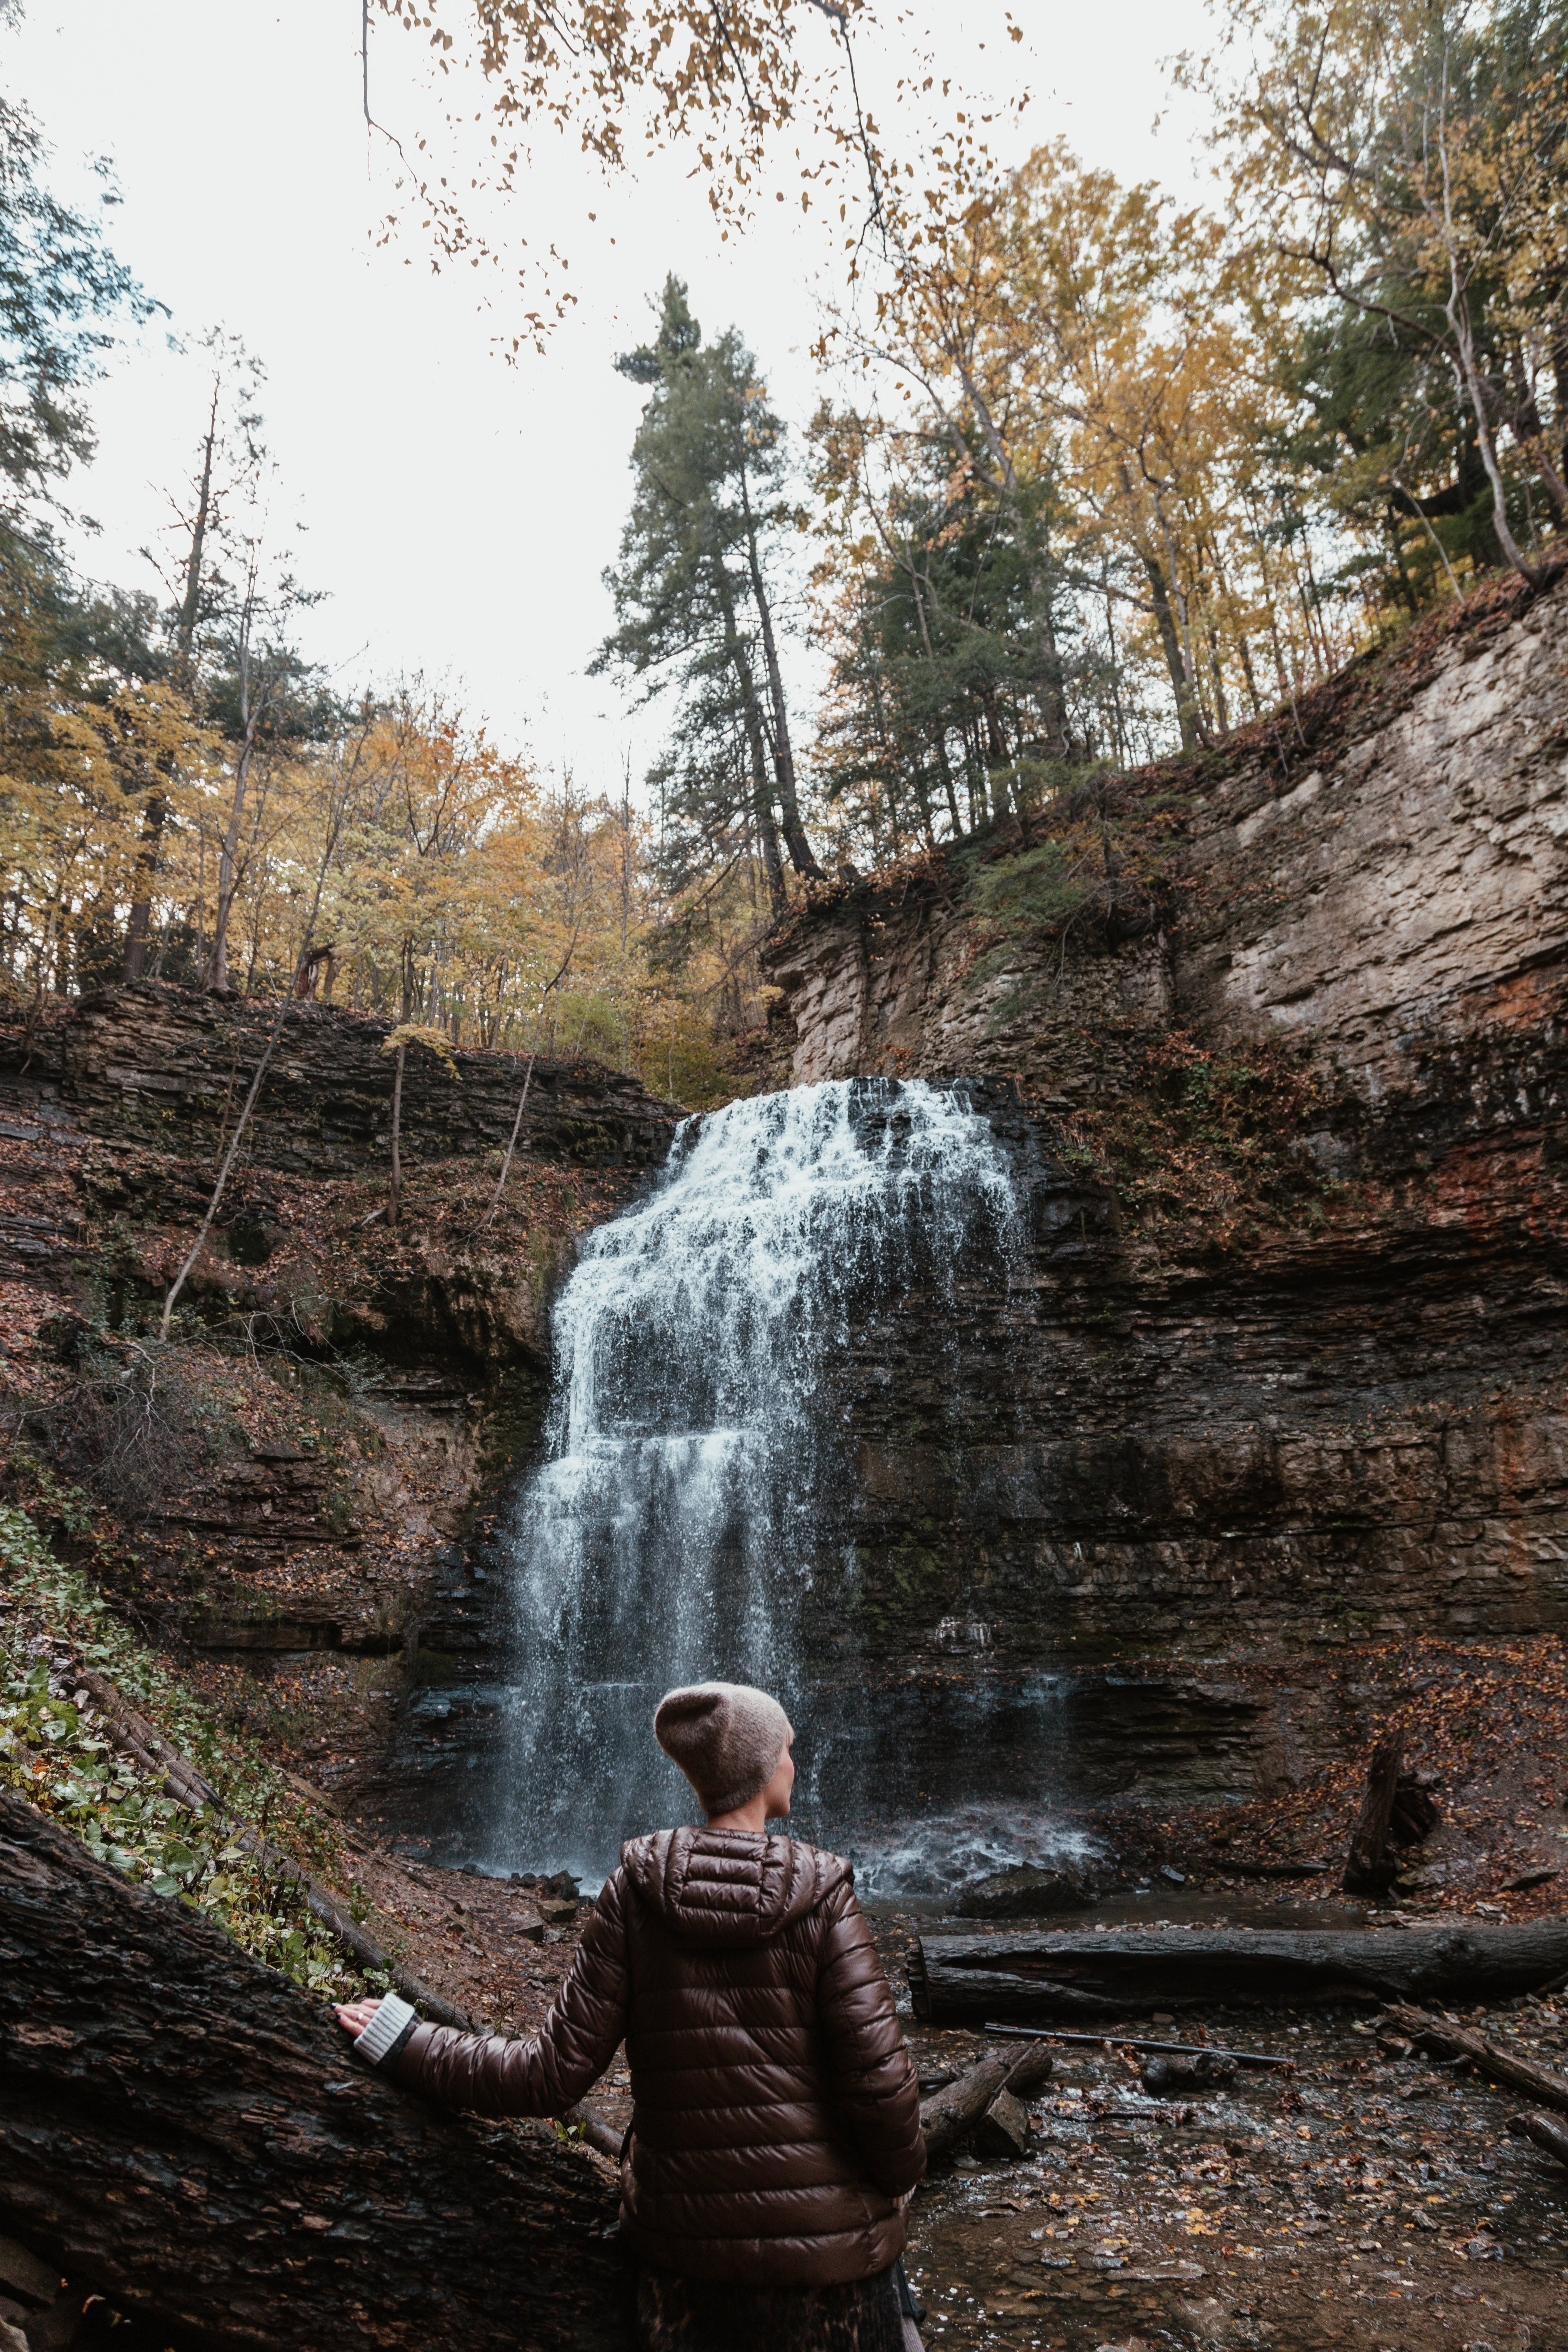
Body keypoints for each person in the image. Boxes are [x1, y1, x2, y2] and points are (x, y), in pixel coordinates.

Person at [336, 1680, 927, 2352]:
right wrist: (894, 2187)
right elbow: (884, 2098)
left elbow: (547, 2075)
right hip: (832, 2278)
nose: (796, 1763)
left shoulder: (633, 1894)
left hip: (684, 2266)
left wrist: (405, 2039)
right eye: (789, 1749)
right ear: (765, 1771)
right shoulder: (824, 1897)